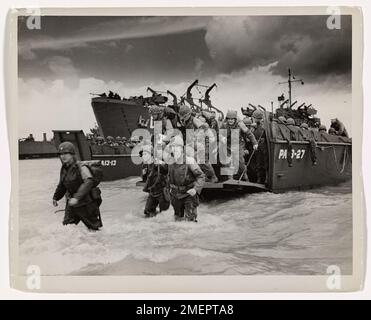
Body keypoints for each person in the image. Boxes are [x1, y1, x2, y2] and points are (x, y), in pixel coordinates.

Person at [52, 142, 103, 231]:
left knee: (94, 230)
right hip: (71, 204)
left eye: (65, 153)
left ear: (72, 154)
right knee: (67, 229)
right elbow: (62, 185)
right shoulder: (64, 168)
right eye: (61, 154)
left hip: (86, 204)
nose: (63, 156)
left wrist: (77, 197)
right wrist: (56, 197)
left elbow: (89, 181)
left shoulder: (81, 167)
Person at [167, 135, 205, 222]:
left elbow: (201, 176)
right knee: (177, 220)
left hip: (189, 194)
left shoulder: (189, 161)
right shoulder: (170, 162)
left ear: (181, 148)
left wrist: (195, 189)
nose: (174, 149)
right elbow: (167, 177)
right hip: (175, 195)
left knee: (190, 222)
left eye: (176, 147)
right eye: (172, 147)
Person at [220, 110, 258, 181]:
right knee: (227, 162)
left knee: (240, 163)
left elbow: (249, 134)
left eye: (232, 119)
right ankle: (230, 179)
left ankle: (245, 176)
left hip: (238, 145)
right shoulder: (224, 125)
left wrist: (255, 143)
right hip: (228, 145)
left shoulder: (241, 125)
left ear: (235, 119)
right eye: (229, 119)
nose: (230, 121)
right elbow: (219, 134)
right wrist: (222, 137)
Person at [142, 145, 170, 218]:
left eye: (145, 154)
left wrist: (161, 164)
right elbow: (145, 179)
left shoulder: (158, 163)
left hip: (162, 192)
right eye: (143, 154)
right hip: (152, 192)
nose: (143, 156)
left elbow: (166, 170)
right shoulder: (145, 165)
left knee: (164, 214)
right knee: (147, 212)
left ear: (151, 154)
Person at [251, 110, 268, 184]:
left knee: (263, 164)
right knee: (259, 164)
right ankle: (260, 179)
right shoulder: (255, 126)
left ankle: (264, 179)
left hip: (263, 147)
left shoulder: (264, 126)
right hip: (258, 147)